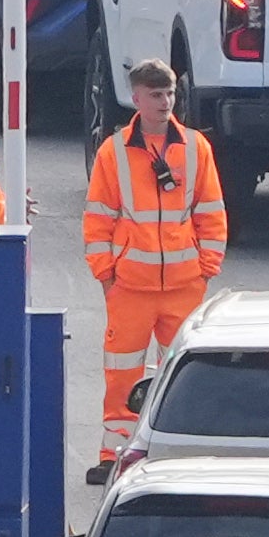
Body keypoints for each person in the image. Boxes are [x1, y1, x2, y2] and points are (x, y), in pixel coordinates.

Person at [83, 53, 229, 480]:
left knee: (184, 373)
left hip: (184, 285)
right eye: (156, 94)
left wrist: (206, 268)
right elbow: (98, 218)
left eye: (169, 93)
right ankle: (113, 456)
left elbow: (212, 212)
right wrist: (106, 273)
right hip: (129, 286)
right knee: (121, 374)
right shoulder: (113, 153)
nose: (165, 102)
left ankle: (180, 448)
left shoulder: (196, 149)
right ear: (137, 99)